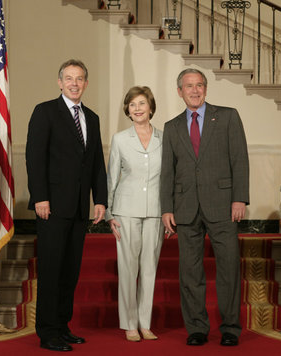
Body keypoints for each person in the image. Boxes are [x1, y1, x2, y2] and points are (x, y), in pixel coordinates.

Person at [160, 68, 249, 347]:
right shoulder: (172, 126)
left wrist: (240, 198)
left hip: (223, 205)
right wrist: (166, 208)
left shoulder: (227, 116)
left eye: (199, 85)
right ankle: (196, 328)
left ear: (206, 89)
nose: (195, 90)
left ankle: (230, 329)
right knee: (190, 272)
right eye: (189, 86)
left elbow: (240, 160)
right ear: (180, 92)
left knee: (228, 269)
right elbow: (167, 172)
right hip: (185, 208)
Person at [26, 59, 107, 352]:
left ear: (86, 83)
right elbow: (34, 159)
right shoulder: (45, 111)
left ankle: (62, 325)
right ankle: (47, 332)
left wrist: (100, 200)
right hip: (52, 207)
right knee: (51, 270)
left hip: (78, 209)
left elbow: (96, 163)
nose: (75, 83)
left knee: (70, 271)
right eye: (69, 78)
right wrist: (40, 197)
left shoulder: (92, 118)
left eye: (80, 78)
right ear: (60, 82)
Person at [106, 86, 164, 342]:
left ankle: (145, 323)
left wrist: (169, 213)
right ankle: (129, 323)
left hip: (156, 212)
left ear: (150, 107)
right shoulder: (120, 139)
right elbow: (111, 178)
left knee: (149, 269)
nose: (138, 108)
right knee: (128, 269)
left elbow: (170, 178)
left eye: (142, 103)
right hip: (125, 210)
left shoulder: (166, 138)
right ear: (128, 111)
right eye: (132, 105)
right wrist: (109, 213)